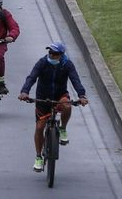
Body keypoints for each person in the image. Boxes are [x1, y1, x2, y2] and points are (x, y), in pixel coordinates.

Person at [18, 42, 89, 171]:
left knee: (67, 105)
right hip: (43, 98)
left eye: (55, 54)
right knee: (39, 127)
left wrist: (82, 95)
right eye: (50, 52)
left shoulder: (67, 65)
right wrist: (25, 92)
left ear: (61, 55)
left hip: (60, 95)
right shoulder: (42, 63)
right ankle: (39, 157)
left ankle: (62, 129)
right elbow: (32, 77)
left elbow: (75, 80)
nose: (51, 55)